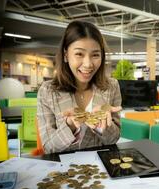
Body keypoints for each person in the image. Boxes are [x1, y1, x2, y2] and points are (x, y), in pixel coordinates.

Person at [37, 20, 122, 154]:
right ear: (66, 55)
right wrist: (70, 126)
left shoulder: (112, 87)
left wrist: (102, 125)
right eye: (79, 54)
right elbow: (48, 147)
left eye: (95, 55)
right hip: (64, 169)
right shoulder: (47, 91)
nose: (88, 64)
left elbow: (114, 139)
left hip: (101, 167)